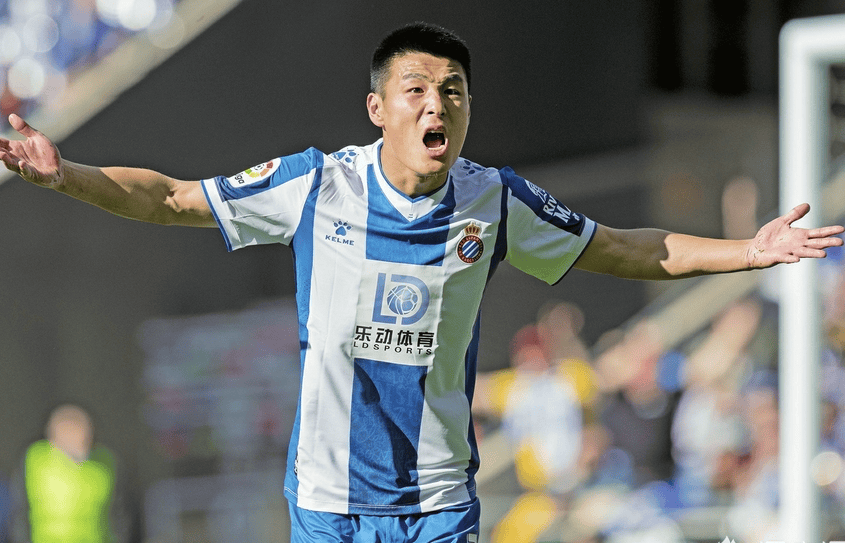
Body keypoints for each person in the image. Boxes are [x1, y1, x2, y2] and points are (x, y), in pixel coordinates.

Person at [0, 22, 842, 543]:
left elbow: (625, 250)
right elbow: (173, 197)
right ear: (378, 108)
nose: (437, 104)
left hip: (438, 505)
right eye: (416, 89)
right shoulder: (316, 184)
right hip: (329, 503)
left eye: (453, 91)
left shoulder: (494, 199)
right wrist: (65, 173)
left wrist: (748, 250)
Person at [10, 404, 126, 543]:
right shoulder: (34, 458)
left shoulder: (104, 462)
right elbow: (19, 509)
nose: (75, 438)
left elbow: (119, 511)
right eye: (68, 432)